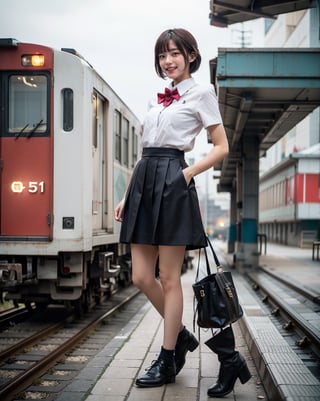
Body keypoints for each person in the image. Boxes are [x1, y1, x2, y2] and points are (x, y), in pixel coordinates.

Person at [115, 28, 250, 395]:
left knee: (170, 278)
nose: (168, 61)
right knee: (142, 276)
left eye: (175, 53)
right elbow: (144, 153)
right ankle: (183, 335)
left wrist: (187, 173)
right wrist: (129, 195)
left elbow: (220, 146)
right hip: (145, 181)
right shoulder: (155, 100)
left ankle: (167, 356)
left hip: (174, 182)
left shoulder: (202, 92)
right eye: (162, 55)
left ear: (191, 55)